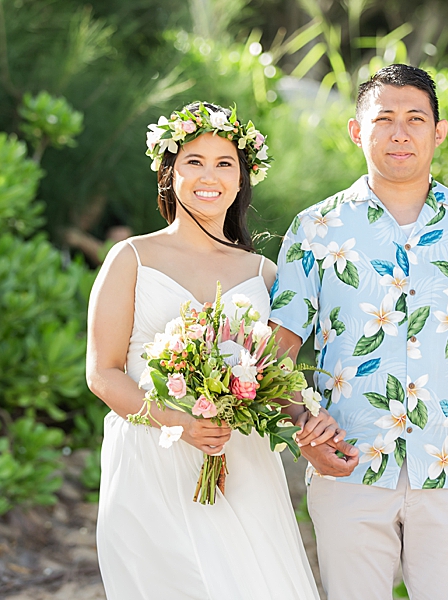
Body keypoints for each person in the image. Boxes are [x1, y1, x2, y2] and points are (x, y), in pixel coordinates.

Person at [270, 64, 448, 600]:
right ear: (356, 130)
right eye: (384, 118)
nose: (399, 132)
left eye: (415, 118)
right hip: (347, 467)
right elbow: (278, 353)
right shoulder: (315, 229)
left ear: (438, 132)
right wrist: (304, 431)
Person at [86, 101, 339, 599]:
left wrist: (308, 419)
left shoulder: (265, 274)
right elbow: (103, 372)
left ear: (243, 178)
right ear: (169, 172)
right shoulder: (131, 257)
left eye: (225, 163)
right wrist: (177, 422)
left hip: (237, 458)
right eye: (194, 161)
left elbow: (275, 378)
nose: (210, 175)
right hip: (149, 457)